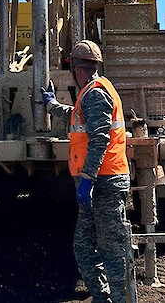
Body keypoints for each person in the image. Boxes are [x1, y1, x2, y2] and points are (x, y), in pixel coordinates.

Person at [41, 40, 133, 303]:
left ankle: (120, 299)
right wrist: (51, 105)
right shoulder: (91, 92)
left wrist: (87, 181)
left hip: (104, 182)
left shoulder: (95, 93)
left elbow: (100, 138)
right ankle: (102, 297)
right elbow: (78, 117)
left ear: (76, 69)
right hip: (97, 183)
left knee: (111, 249)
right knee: (83, 247)